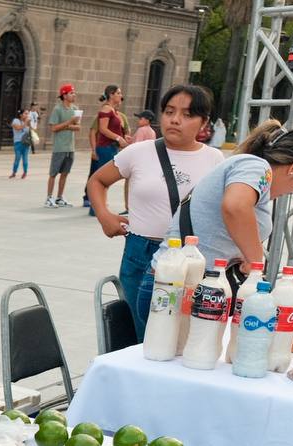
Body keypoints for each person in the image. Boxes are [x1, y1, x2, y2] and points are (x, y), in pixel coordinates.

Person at [88, 85, 223, 335]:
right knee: (142, 334)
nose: (175, 119)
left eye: (187, 114)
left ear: (204, 122)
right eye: (169, 111)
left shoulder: (215, 160)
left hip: (190, 257)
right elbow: (97, 181)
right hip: (141, 252)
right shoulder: (138, 152)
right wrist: (104, 216)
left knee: (181, 334)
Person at [166, 119, 293, 280]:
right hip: (178, 282)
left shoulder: (249, 171)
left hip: (189, 279)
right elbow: (236, 206)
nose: (292, 190)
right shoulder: (257, 167)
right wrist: (255, 261)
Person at [86, 86, 130, 215]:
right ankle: (97, 208)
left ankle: (100, 207)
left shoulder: (113, 111)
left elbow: (113, 129)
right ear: (111, 95)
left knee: (106, 181)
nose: (120, 95)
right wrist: (118, 138)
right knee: (103, 180)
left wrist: (123, 137)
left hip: (111, 147)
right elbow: (103, 129)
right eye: (118, 93)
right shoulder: (106, 109)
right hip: (105, 148)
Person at [45, 84, 81, 208]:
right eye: (71, 93)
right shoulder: (57, 109)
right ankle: (49, 198)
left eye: (74, 92)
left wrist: (68, 125)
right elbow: (53, 128)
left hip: (70, 147)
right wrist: (69, 123)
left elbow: (78, 127)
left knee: (65, 173)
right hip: (59, 147)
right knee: (53, 173)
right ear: (64, 95)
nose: (74, 95)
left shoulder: (75, 109)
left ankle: (59, 197)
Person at [9, 109, 30, 179]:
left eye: (28, 114)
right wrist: (25, 123)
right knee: (17, 158)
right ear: (21, 115)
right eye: (25, 113)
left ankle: (25, 172)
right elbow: (18, 128)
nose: (27, 115)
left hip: (26, 143)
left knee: (25, 158)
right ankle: (14, 172)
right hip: (18, 142)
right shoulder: (15, 120)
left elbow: (30, 131)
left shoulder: (28, 122)